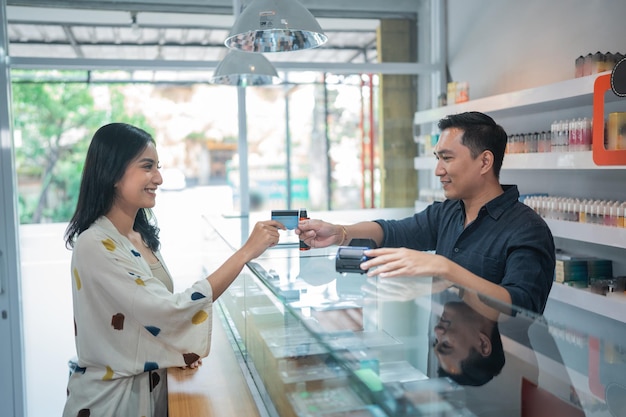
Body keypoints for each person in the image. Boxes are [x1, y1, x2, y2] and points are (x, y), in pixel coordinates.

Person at [62, 123, 284, 417]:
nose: (159, 177)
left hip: (145, 392)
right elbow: (168, 310)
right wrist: (244, 253)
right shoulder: (95, 244)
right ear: (113, 173)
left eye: (158, 166)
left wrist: (173, 350)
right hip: (113, 403)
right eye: (147, 167)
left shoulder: (138, 236)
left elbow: (146, 315)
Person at [297, 111, 555, 314]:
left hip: (500, 365)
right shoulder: (448, 212)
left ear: (485, 162)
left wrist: (446, 269)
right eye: (437, 158)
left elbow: (524, 306)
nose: (438, 170)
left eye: (447, 158)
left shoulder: (527, 229)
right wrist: (340, 233)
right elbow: (392, 231)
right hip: (446, 347)